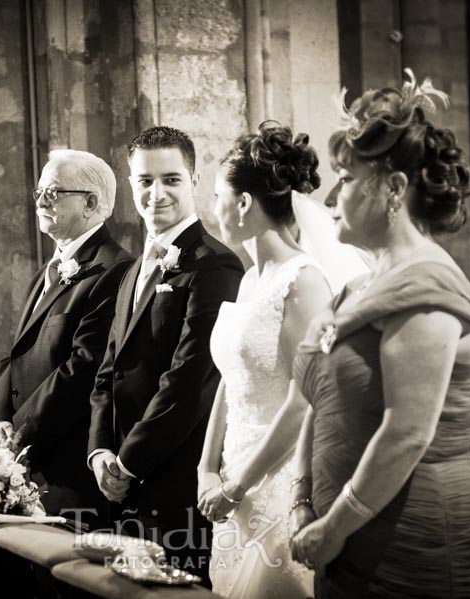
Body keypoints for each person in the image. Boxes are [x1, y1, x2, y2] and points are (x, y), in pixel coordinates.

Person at [288, 70, 470, 598]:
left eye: (346, 176)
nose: (333, 194)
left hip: (412, 545)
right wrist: (300, 496)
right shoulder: (359, 288)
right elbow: (316, 404)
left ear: (394, 188)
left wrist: (333, 527)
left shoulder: (426, 289)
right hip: (344, 537)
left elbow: (407, 432)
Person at [195, 122, 351, 598]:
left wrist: (239, 484)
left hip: (277, 479)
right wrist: (207, 466)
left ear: (243, 203)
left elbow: (304, 400)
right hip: (232, 477)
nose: (213, 206)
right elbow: (231, 378)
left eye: (219, 194)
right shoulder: (250, 280)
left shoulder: (303, 282)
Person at [87, 126, 244, 582]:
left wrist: (129, 462)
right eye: (145, 181)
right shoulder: (134, 268)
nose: (157, 193)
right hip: (116, 480)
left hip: (171, 481)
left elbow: (190, 379)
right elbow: (108, 369)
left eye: (171, 179)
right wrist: (99, 450)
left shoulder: (215, 264)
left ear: (194, 181)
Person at [0, 149, 133, 531]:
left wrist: (20, 434)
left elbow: (84, 366)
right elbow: (16, 355)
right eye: (38, 192)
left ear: (91, 202)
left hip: (67, 470)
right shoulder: (45, 274)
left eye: (52, 192)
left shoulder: (114, 269)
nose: (40, 201)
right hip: (24, 460)